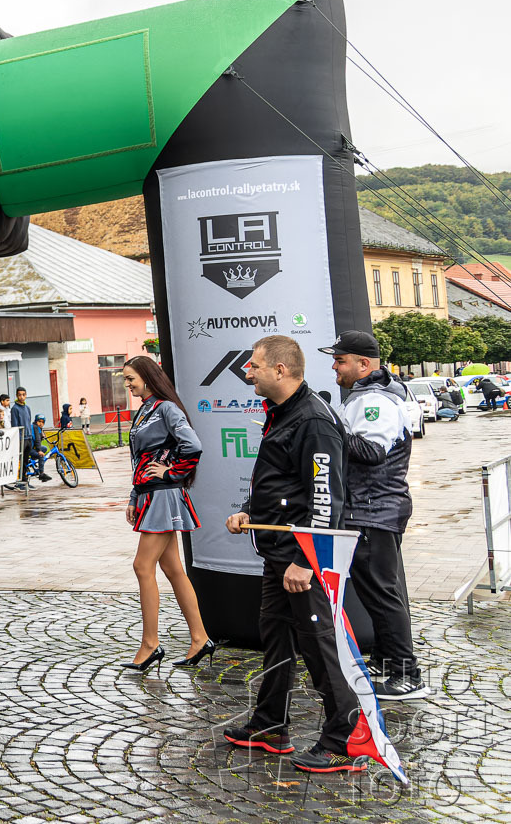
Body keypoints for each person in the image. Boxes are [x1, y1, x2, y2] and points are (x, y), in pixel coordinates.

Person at [223, 335, 364, 774]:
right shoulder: (283, 411)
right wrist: (250, 511)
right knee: (276, 638)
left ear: (280, 370)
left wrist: (307, 561)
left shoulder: (313, 420)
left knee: (319, 646)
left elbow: (325, 498)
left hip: (302, 559)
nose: (248, 372)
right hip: (280, 554)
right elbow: (283, 482)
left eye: (254, 365)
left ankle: (345, 741)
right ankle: (271, 725)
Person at [319, 330, 427, 700]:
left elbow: (370, 452)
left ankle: (406, 674)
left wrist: (327, 426)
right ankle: (386, 661)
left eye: (340, 360)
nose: (334, 367)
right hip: (370, 508)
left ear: (364, 364)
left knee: (382, 594)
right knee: (379, 591)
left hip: (373, 509)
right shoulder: (367, 396)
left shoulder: (375, 400)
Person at [119, 355, 212, 671]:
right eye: (125, 379)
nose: (127, 384)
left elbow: (193, 446)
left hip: (163, 496)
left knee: (142, 566)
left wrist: (171, 473)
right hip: (150, 495)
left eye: (130, 378)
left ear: (147, 378)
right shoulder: (145, 410)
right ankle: (200, 638)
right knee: (173, 569)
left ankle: (150, 644)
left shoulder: (166, 409)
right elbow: (139, 460)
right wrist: (134, 496)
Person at [11, 387, 50, 483]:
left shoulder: (27, 408)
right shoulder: (15, 409)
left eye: (23, 395)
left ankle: (25, 480)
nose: (21, 397)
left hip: (28, 437)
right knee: (22, 461)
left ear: (26, 395)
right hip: (22, 438)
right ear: (16, 396)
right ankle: (21, 481)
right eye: (19, 395)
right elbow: (15, 425)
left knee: (26, 460)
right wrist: (19, 438)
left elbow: (28, 422)